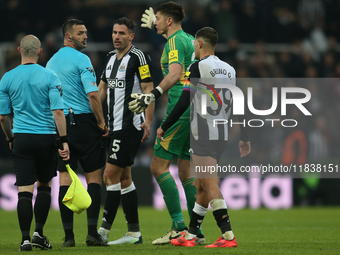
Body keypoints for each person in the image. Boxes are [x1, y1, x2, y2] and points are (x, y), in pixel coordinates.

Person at [156, 27, 251, 248]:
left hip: (203, 133)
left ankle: (228, 236)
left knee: (209, 185)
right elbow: (238, 104)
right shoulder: (230, 69)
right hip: (222, 134)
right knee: (200, 187)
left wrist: (165, 125)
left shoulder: (196, 66)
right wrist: (244, 136)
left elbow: (184, 100)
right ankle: (190, 235)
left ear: (198, 44)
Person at [129, 1, 205, 245]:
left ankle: (180, 228)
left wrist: (153, 95)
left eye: (159, 18)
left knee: (158, 167)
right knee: (185, 171)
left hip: (179, 109)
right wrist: (156, 25)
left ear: (169, 20)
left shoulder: (173, 42)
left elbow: (174, 73)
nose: (156, 22)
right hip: (196, 109)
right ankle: (196, 232)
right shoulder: (190, 39)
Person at [0, 35, 70, 251]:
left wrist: (10, 138)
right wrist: (64, 141)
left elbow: (3, 117)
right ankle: (39, 232)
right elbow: (58, 111)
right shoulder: (50, 76)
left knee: (24, 191)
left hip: (22, 137)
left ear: (19, 50)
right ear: (40, 52)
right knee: (45, 186)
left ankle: (25, 240)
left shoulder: (7, 78)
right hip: (46, 137)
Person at [46, 19, 109, 247]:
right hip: (84, 123)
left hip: (61, 125)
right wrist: (101, 123)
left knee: (65, 179)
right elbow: (93, 95)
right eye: (80, 33)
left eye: (86, 32)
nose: (85, 37)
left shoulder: (50, 63)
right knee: (94, 177)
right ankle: (92, 233)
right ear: (68, 36)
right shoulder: (83, 59)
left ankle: (69, 237)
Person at [96, 17, 154, 245]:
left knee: (109, 175)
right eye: (114, 32)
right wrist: (93, 116)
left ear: (131, 36)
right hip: (111, 127)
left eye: (121, 33)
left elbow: (149, 89)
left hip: (129, 126)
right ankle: (134, 233)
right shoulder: (110, 58)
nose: (116, 37)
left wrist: (148, 121)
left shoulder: (139, 57)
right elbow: (101, 91)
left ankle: (103, 231)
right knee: (125, 178)